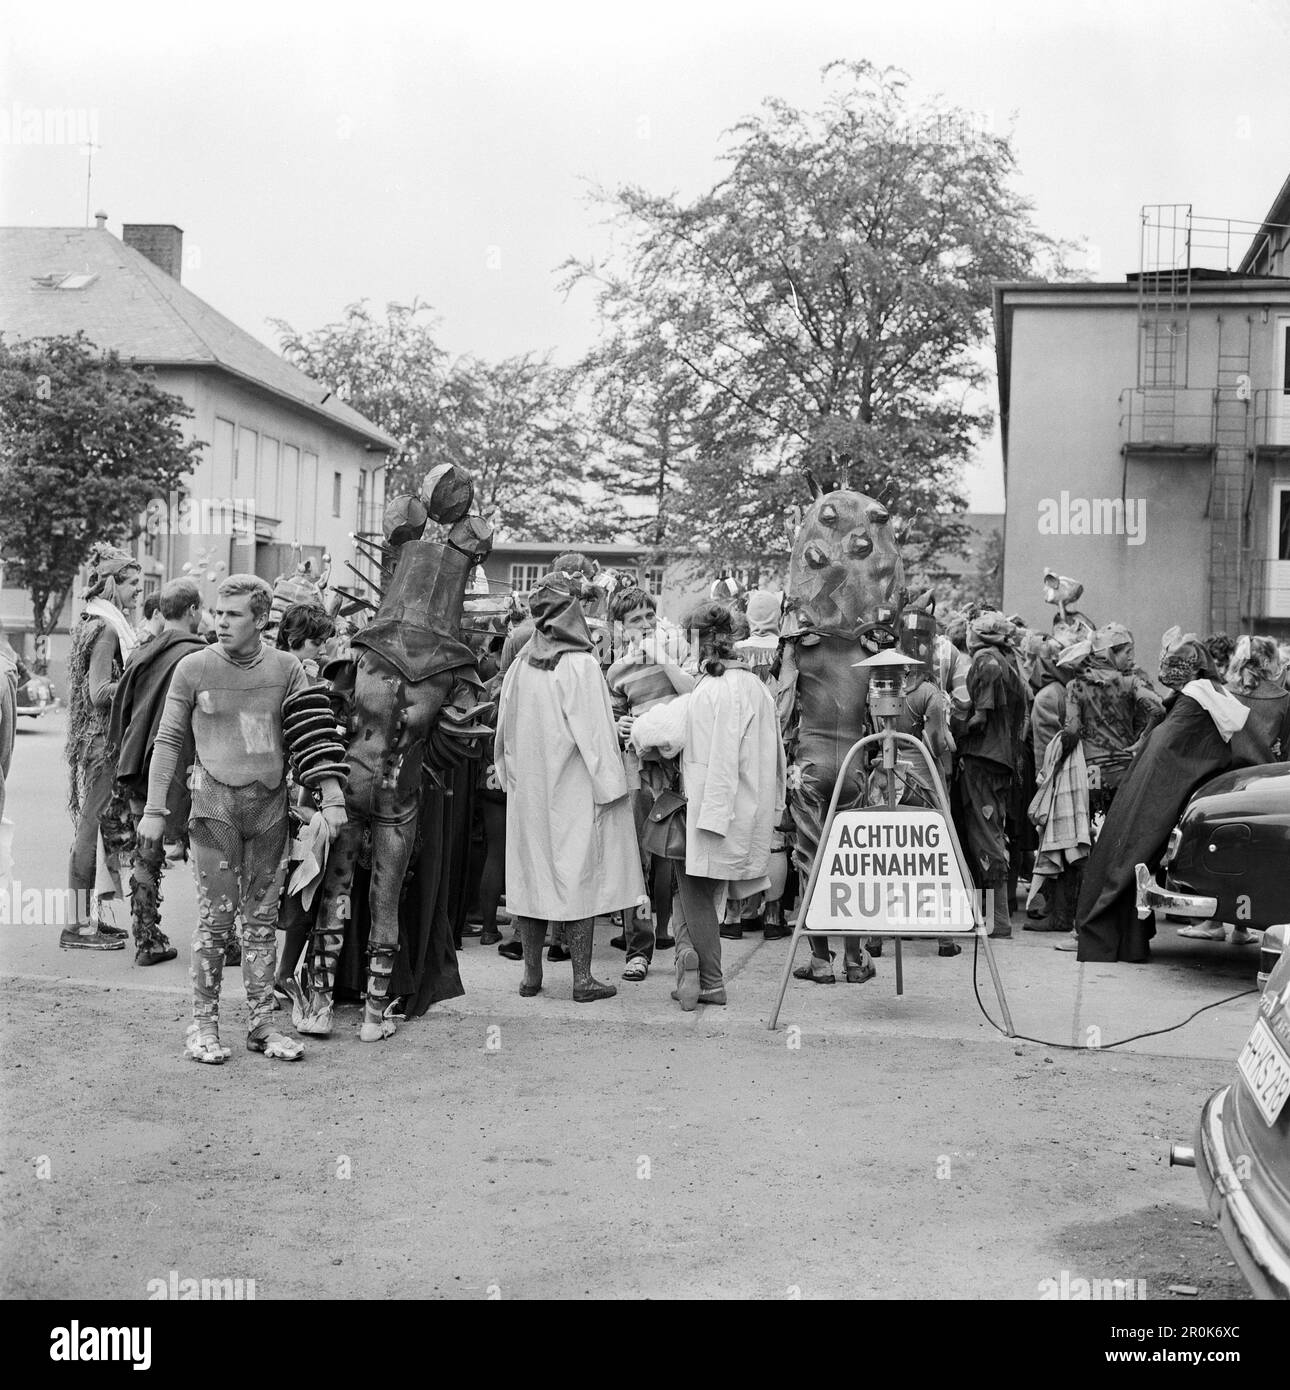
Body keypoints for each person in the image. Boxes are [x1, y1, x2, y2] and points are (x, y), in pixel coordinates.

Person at [136, 575, 349, 1063]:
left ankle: (262, 1025)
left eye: (234, 614)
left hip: (269, 811)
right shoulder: (193, 668)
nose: (220, 621)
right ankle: (204, 1025)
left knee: (261, 923)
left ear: (261, 620)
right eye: (218, 612)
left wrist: (331, 795)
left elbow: (312, 733)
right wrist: (154, 810)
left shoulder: (287, 668)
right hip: (214, 810)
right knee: (214, 924)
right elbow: (168, 740)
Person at [494, 573, 644, 1002]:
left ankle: (531, 976)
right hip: (574, 788)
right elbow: (595, 733)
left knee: (531, 878)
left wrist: (508, 774)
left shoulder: (523, 662)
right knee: (578, 879)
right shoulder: (579, 664)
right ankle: (582, 980)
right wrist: (611, 784)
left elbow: (502, 730)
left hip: (529, 789)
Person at [630, 602, 786, 1009]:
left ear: (698, 643)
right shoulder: (756, 687)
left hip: (709, 810)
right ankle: (688, 960)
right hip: (747, 809)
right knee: (693, 890)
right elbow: (778, 756)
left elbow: (663, 730)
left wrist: (639, 727)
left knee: (695, 892)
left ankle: (711, 981)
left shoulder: (708, 692)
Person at [1071, 631, 1248, 962]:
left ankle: (1110, 931)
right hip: (1142, 775)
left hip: (1130, 778)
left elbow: (1167, 740)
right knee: (1130, 855)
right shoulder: (1206, 695)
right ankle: (1126, 935)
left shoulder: (1192, 699)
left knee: (1120, 851)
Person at [107, 578, 208, 965]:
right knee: (207, 849)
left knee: (145, 853)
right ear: (194, 610)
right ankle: (222, 939)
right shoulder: (200, 655)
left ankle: (146, 940)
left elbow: (123, 706)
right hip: (184, 766)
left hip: (140, 762)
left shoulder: (142, 651)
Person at [605, 584, 694, 978]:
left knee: (676, 859)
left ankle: (676, 940)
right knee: (638, 861)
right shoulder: (615, 671)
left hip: (679, 770)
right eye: (635, 619)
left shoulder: (677, 653)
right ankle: (638, 950)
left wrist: (660, 656)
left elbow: (693, 695)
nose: (643, 624)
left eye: (648, 616)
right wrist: (619, 723)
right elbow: (610, 719)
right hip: (638, 772)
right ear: (620, 627)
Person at [63, 543, 143, 949]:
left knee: (96, 829)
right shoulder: (109, 627)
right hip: (101, 743)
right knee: (90, 828)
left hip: (95, 741)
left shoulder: (94, 620)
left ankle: (87, 919)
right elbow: (98, 693)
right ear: (112, 584)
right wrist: (138, 681)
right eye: (132, 585)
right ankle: (76, 927)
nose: (137, 594)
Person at [271, 602, 339, 1007]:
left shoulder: (310, 677)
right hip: (280, 798)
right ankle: (271, 977)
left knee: (303, 893)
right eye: (316, 642)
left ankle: (284, 973)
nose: (322, 650)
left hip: (303, 800)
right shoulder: (279, 674)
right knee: (275, 894)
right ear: (295, 640)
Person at [956, 611, 1028, 939]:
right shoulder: (1011, 661)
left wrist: (956, 724)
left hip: (982, 759)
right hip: (1001, 761)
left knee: (983, 836)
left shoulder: (987, 660)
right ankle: (994, 916)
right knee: (994, 833)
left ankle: (996, 920)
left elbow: (981, 718)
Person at [1225, 635, 1290, 766]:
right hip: (1264, 774)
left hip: (1228, 775)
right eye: (1276, 663)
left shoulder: (1224, 692)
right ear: (1266, 662)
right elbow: (1284, 748)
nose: (1278, 667)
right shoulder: (1283, 698)